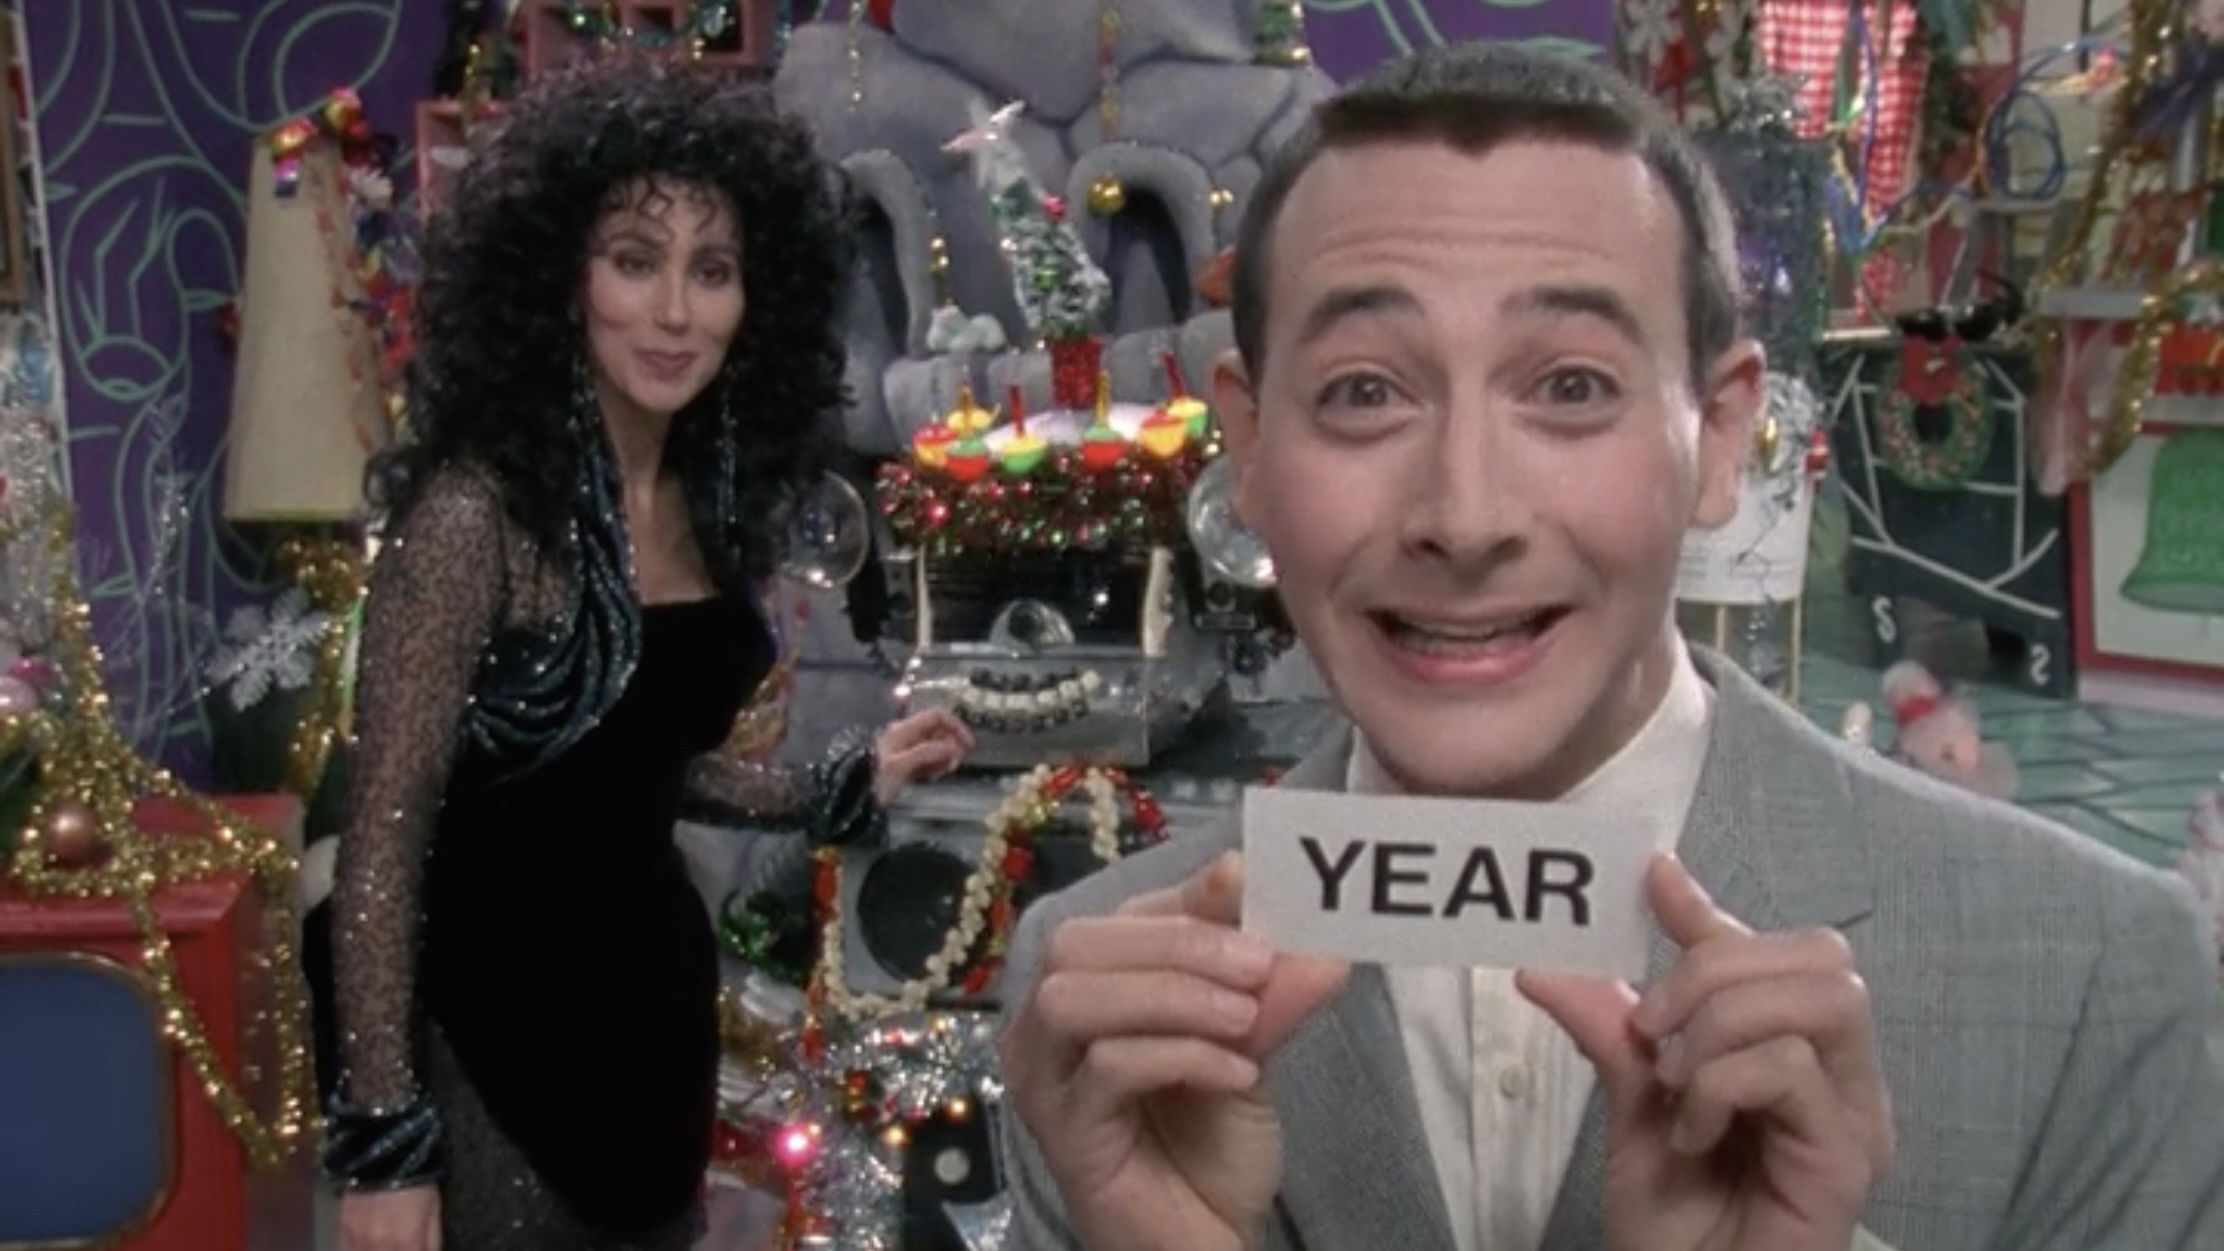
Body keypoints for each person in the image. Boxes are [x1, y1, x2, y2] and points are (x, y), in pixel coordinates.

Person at [997, 41, 2224, 1251]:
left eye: (1571, 388)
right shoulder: (1098, 1009)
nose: (1464, 517)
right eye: (1364, 392)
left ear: (1721, 434)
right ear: (1253, 444)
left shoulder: (2089, 974)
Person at [323, 55, 972, 1251]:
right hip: (498, 1051)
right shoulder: (473, 518)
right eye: (635, 260)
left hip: (655, 1040)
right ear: (557, 278)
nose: (677, 312)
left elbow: (635, 763)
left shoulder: (708, 506)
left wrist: (835, 786)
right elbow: (380, 848)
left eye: (711, 270)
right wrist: (382, 1142)